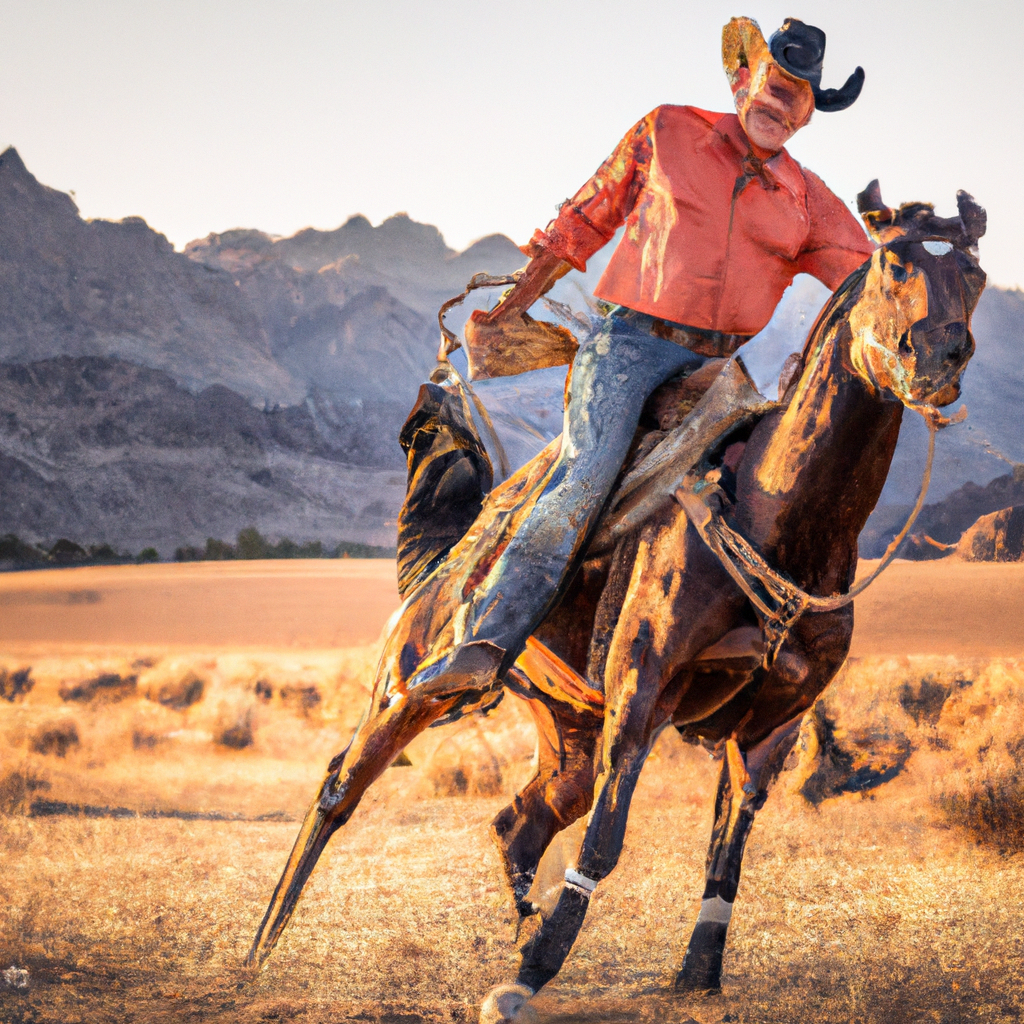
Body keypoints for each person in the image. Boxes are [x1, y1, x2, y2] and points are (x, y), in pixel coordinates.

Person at [409, 16, 875, 693]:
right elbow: (584, 220)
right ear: (746, 79)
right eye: (776, 83)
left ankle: (748, 636)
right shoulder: (668, 131)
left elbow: (875, 281)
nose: (781, 102)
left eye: (800, 95)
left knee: (773, 483)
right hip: (629, 344)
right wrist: (511, 308)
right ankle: (486, 638)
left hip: (722, 369)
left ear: (808, 114)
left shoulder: (808, 200)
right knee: (587, 476)